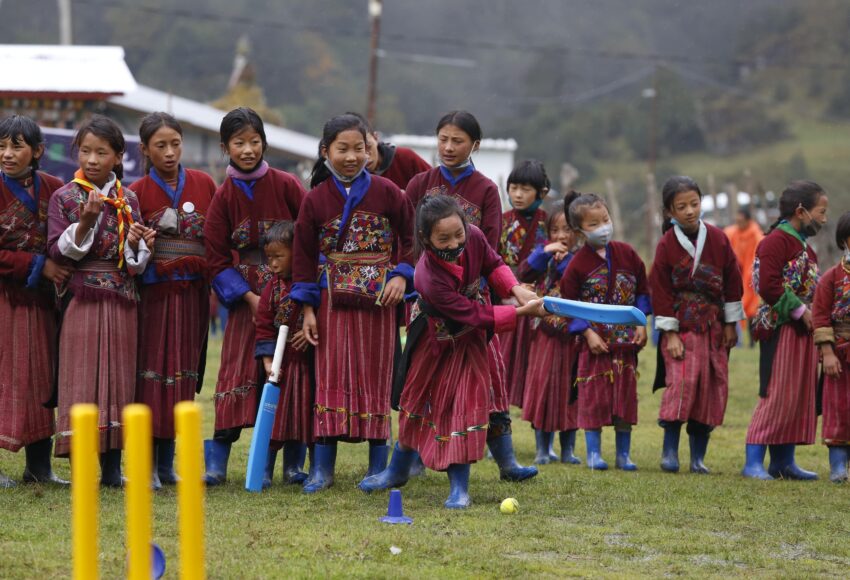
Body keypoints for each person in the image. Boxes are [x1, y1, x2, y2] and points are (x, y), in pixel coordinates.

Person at [359, 195, 541, 508]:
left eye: (459, 234)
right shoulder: (426, 276)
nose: (455, 243)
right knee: (418, 404)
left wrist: (515, 289)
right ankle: (396, 471)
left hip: (472, 343)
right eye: (443, 239)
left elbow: (493, 264)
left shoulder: (476, 238)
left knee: (465, 405)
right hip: (436, 341)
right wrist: (519, 314)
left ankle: (460, 488)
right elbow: (470, 313)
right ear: (425, 239)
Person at [405, 111, 537, 482]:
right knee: (426, 383)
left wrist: (511, 290)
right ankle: (413, 458)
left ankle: (507, 462)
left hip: (474, 300)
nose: (448, 147)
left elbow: (490, 250)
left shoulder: (485, 189)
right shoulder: (419, 184)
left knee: (490, 382)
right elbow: (406, 241)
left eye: (458, 141)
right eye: (443, 139)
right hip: (430, 302)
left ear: (474, 145)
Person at [291, 113, 414, 493]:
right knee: (330, 375)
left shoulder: (390, 192)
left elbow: (411, 240)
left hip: (379, 301)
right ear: (326, 151)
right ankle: (321, 469)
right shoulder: (314, 200)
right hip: (330, 302)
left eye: (358, 148)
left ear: (370, 149)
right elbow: (303, 257)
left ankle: (380, 467)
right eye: (342, 149)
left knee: (376, 376)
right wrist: (308, 310)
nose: (351, 156)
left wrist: (400, 274)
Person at [47, 114, 154, 486]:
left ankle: (112, 470)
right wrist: (86, 222)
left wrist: (142, 245)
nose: (92, 160)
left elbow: (133, 264)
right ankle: (81, 471)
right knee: (82, 380)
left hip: (122, 299)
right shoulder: (64, 197)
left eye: (101, 152)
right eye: (86, 151)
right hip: (82, 299)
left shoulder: (129, 200)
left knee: (118, 381)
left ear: (118, 157)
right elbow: (59, 253)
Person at [203, 107, 306, 485]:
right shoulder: (223, 195)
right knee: (234, 372)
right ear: (224, 147)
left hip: (289, 292)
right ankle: (217, 463)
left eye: (254, 141)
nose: (248, 149)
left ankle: (292, 462)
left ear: (264, 142)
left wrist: (300, 290)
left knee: (287, 373)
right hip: (245, 297)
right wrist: (249, 298)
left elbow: (308, 238)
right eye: (238, 143)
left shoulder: (287, 185)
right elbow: (215, 259)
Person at [132, 112, 217, 489]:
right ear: (145, 150)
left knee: (182, 378)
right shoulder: (134, 192)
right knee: (150, 379)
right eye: (160, 146)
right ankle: (147, 465)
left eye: (175, 144)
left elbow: (215, 239)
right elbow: (128, 251)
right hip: (153, 297)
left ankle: (167, 465)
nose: (169, 153)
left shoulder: (204, 184)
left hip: (191, 296)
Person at [650, 176, 744, 474]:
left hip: (713, 328)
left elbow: (732, 280)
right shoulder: (666, 245)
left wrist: (731, 323)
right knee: (682, 384)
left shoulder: (718, 238)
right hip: (682, 328)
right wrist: (671, 334)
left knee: (711, 386)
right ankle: (669, 453)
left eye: (694, 203)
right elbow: (660, 290)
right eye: (682, 206)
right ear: (670, 212)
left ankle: (697, 458)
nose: (690, 211)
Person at [0, 115, 71, 487]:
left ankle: (39, 468)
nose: (7, 154)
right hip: (4, 299)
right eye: (1, 146)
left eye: (16, 146)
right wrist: (38, 265)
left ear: (38, 150)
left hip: (45, 304)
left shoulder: (56, 188)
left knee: (43, 378)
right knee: (3, 378)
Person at [741, 180, 827, 480]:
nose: (824, 218)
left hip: (801, 331)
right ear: (801, 211)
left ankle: (782, 462)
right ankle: (753, 461)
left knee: (797, 395)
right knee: (776, 393)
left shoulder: (803, 245)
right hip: (780, 327)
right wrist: (799, 309)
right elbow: (767, 284)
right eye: (821, 211)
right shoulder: (776, 241)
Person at [559, 190, 651, 470]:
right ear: (579, 230)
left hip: (625, 342)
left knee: (625, 397)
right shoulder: (576, 265)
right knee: (594, 397)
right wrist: (587, 333)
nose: (603, 227)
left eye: (605, 219)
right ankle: (594, 454)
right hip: (594, 344)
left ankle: (624, 455)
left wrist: (642, 323)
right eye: (593, 224)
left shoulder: (628, 253)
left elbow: (643, 291)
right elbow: (568, 305)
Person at [517, 203, 581, 465]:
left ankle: (568, 450)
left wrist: (565, 261)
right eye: (555, 229)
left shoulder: (580, 258)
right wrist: (544, 252)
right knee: (542, 387)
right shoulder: (543, 254)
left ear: (578, 231)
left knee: (570, 390)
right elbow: (524, 272)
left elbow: (574, 279)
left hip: (573, 333)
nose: (561, 235)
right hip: (543, 331)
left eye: (567, 229)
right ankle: (543, 448)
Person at [254, 220, 313, 487]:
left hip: (307, 366)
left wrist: (310, 334)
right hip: (281, 368)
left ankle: (293, 468)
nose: (273, 264)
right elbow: (264, 324)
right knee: (274, 418)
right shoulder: (272, 288)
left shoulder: (311, 284)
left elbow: (322, 314)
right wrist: (268, 361)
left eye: (279, 256)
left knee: (302, 418)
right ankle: (264, 470)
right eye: (269, 258)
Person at [499, 160, 549, 412]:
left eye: (526, 189)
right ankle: (495, 424)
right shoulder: (501, 222)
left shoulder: (549, 225)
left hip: (540, 306)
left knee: (538, 372)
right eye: (514, 187)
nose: (517, 195)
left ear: (542, 193)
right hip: (507, 304)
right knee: (500, 369)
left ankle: (543, 438)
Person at [813, 211, 850, 483]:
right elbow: (821, 316)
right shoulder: (831, 278)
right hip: (839, 357)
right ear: (846, 241)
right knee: (839, 410)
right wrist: (827, 353)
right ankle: (838, 467)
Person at [724, 208, 764, 346]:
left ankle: (752, 342)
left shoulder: (755, 233)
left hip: (750, 276)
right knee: (737, 306)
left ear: (748, 220)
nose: (738, 223)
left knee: (751, 308)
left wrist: (752, 274)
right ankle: (738, 339)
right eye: (737, 221)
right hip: (737, 275)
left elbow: (758, 254)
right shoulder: (732, 232)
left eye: (741, 221)